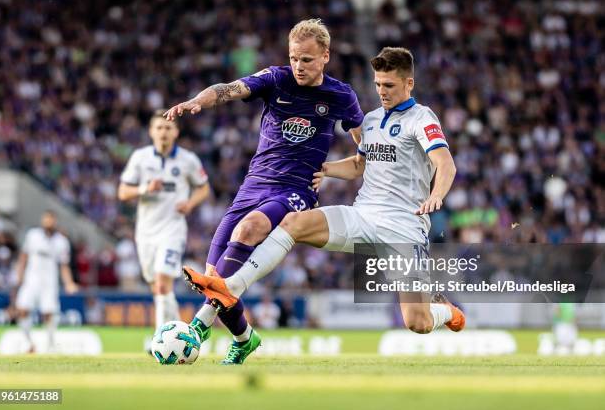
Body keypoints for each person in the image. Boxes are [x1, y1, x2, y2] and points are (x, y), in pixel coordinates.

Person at [186, 47, 465, 336]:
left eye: (390, 86)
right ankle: (232, 286)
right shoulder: (370, 120)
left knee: (416, 323)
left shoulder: (422, 118)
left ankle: (446, 310)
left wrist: (437, 195)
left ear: (409, 84)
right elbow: (360, 165)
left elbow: (445, 164)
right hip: (363, 215)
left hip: (404, 227)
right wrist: (326, 168)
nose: (382, 91)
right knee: (292, 223)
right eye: (378, 84)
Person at [166, 19, 364, 364]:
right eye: (294, 58)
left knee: (249, 229)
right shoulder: (276, 79)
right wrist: (199, 100)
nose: (299, 67)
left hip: (295, 190)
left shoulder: (341, 96)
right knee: (216, 279)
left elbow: (364, 156)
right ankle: (244, 339)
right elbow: (231, 88)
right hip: (253, 185)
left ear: (326, 57)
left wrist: (330, 170)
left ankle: (198, 325)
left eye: (307, 59)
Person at [118, 109, 210, 335]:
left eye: (168, 128)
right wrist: (144, 189)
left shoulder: (188, 160)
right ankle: (180, 333)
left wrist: (189, 203)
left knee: (161, 283)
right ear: (151, 131)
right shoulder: (140, 158)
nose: (163, 132)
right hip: (146, 232)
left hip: (173, 229)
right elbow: (122, 192)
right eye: (159, 127)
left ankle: (160, 338)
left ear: (176, 132)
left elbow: (204, 187)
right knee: (158, 288)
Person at [14, 210, 78, 352]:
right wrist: (19, 275)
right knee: (23, 309)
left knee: (48, 312)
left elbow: (64, 265)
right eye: (46, 219)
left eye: (51, 219)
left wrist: (69, 283)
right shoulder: (33, 235)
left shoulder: (62, 241)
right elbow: (23, 256)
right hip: (31, 279)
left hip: (49, 282)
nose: (48, 222)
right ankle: (28, 342)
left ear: (55, 221)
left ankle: (50, 344)